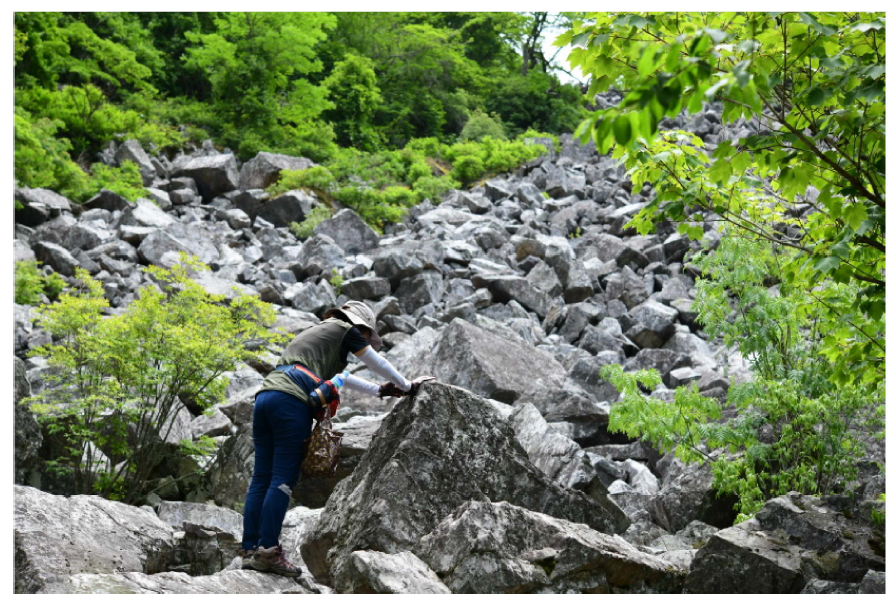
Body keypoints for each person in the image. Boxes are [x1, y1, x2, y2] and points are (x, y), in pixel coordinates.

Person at [240, 301, 426, 576]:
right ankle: (267, 552)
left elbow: (342, 378)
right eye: (366, 337)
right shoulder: (345, 329)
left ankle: (249, 549)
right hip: (291, 402)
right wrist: (407, 386)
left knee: (261, 478)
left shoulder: (317, 336)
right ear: (361, 328)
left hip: (267, 397)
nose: (364, 342)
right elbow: (376, 362)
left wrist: (380, 391)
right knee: (282, 479)